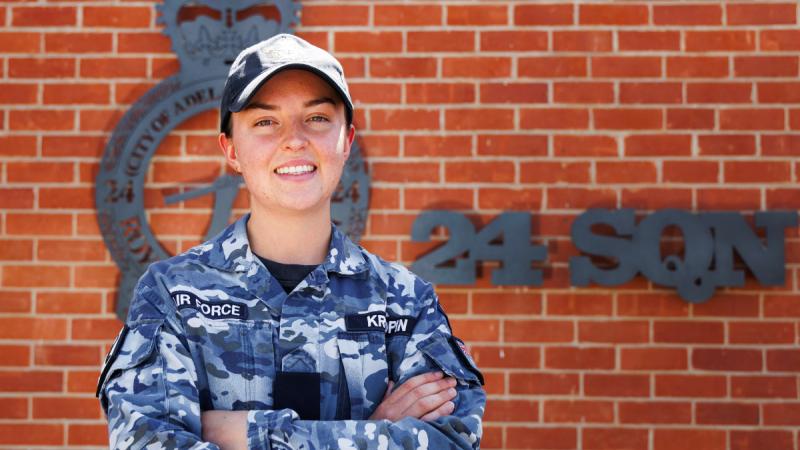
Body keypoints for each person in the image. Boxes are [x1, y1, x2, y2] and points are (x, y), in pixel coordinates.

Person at [97, 33, 486, 449]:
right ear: (230, 149)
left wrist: (246, 434)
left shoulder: (405, 303)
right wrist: (377, 430)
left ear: (347, 140)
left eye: (317, 118)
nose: (295, 139)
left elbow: (452, 441)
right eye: (265, 121)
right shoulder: (172, 296)